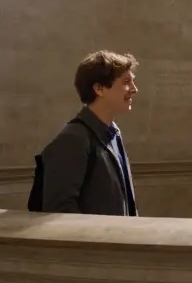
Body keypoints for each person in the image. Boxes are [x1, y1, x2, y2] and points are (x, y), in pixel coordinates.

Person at [34, 50, 140, 216]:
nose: (134, 89)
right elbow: (59, 210)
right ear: (99, 89)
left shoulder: (114, 133)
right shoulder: (73, 139)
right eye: (126, 82)